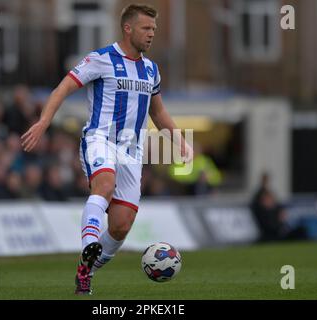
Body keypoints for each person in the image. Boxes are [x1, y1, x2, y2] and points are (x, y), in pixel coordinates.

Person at [21, 3, 193, 295]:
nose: (151, 34)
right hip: (100, 138)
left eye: (154, 29)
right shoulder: (101, 59)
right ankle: (89, 244)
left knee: (121, 226)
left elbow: (158, 111)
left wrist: (180, 140)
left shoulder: (151, 69)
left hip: (131, 151)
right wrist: (43, 122)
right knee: (105, 184)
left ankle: (85, 269)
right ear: (128, 29)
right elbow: (62, 88)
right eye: (146, 28)